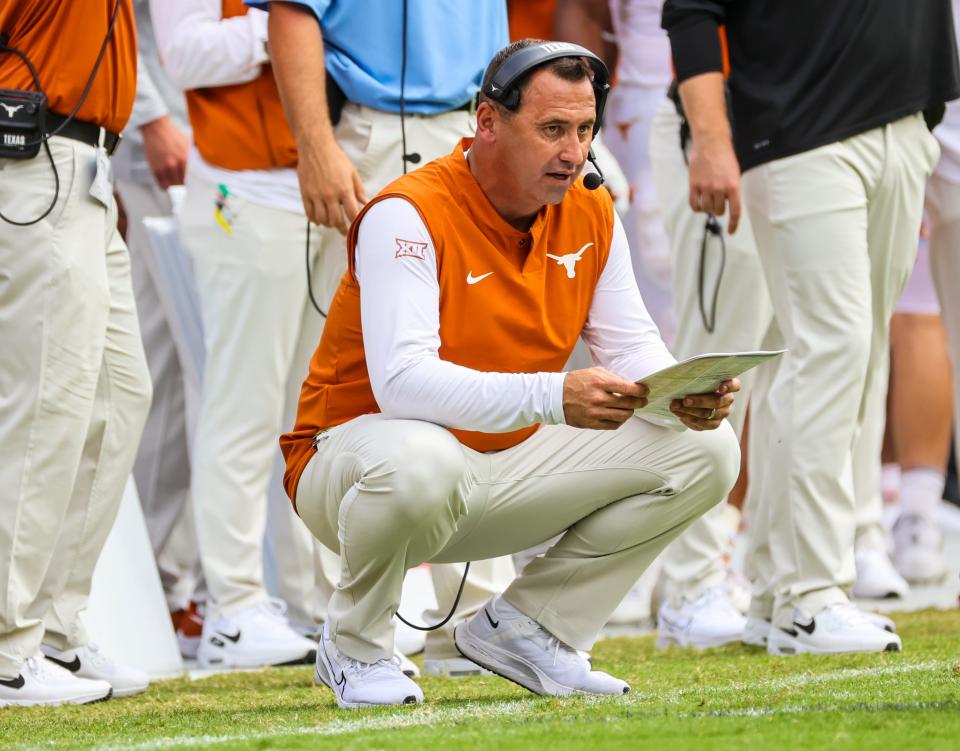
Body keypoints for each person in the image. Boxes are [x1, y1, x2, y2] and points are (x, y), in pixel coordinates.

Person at [284, 39, 741, 709]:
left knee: (706, 448)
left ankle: (534, 628)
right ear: (488, 121)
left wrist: (680, 390)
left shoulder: (591, 206)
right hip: (351, 468)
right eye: (552, 128)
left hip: (493, 467)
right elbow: (403, 386)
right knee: (421, 458)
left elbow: (630, 345)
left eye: (585, 129)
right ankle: (355, 645)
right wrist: (555, 395)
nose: (573, 150)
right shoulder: (406, 212)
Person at [663, 0, 958, 654]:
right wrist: (712, 140)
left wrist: (917, 127)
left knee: (849, 362)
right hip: (799, 133)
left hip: (904, 123)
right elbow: (689, 11)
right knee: (828, 354)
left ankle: (775, 594)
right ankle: (811, 596)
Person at [259, 0, 515, 678]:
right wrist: (315, 146)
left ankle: (471, 625)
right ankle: (355, 621)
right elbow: (292, 14)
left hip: (479, 130)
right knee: (355, 384)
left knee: (481, 367)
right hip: (379, 136)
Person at [151, 0, 324, 669]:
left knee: (313, 413)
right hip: (243, 191)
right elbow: (184, 53)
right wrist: (297, 25)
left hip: (317, 180)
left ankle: (314, 603)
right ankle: (232, 606)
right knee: (241, 407)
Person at [0, 0, 152, 705]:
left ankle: (52, 628)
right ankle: (5, 643)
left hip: (85, 163)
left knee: (120, 394)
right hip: (33, 155)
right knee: (46, 404)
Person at [112, 0, 205, 659]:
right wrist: (152, 118)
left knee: (194, 368)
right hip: (162, 145)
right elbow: (108, 19)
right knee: (177, 369)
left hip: (238, 148)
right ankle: (174, 589)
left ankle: (188, 584)